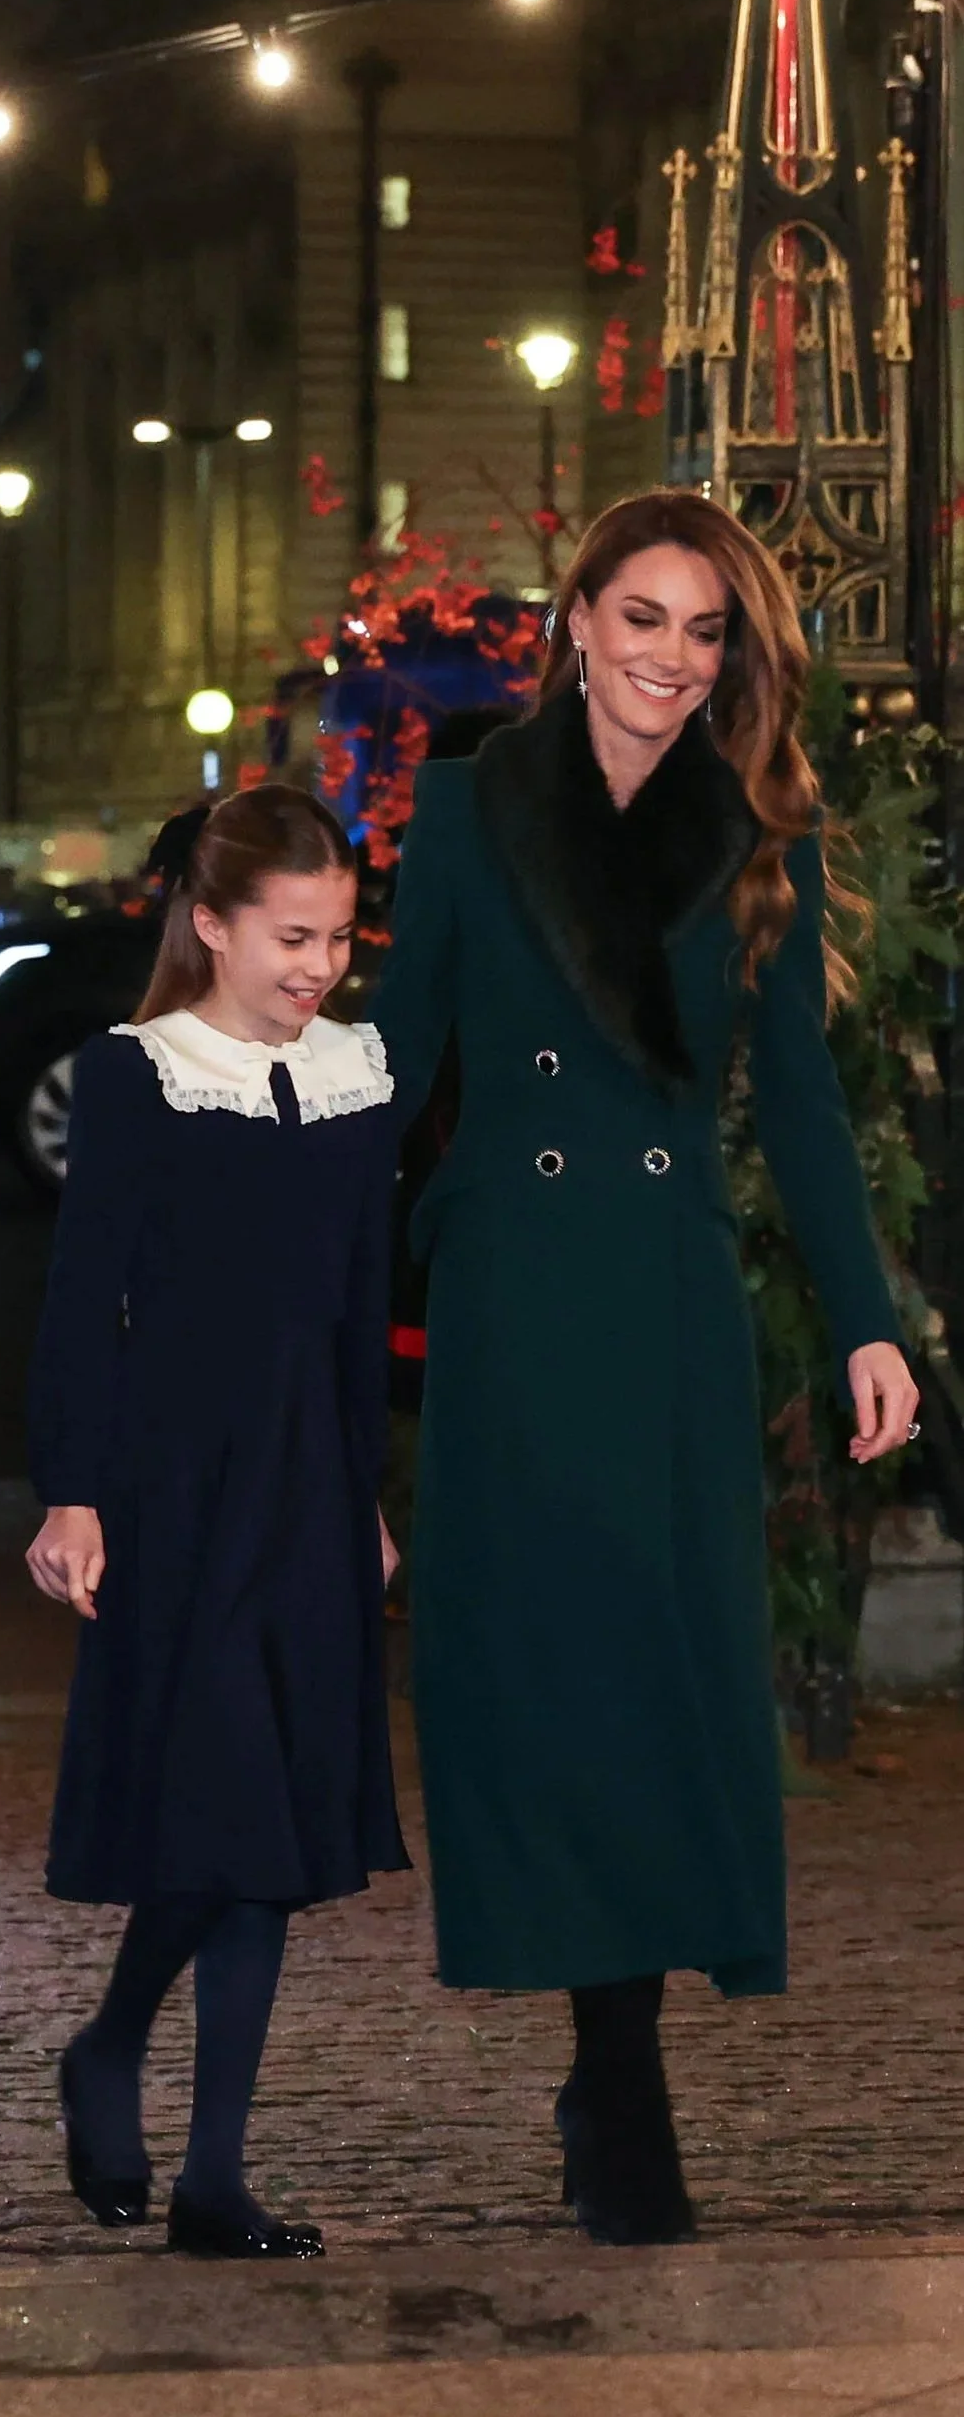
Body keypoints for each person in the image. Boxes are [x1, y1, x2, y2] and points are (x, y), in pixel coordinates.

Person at [371, 489, 918, 2244]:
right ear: (575, 616)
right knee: (540, 1671)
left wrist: (860, 1314)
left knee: (663, 1668)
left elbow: (804, 1103)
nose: (668, 662)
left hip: (666, 1295)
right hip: (515, 1293)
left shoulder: (760, 829)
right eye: (641, 619)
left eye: (702, 633)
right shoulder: (462, 810)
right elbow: (395, 1059)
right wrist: (270, 1250)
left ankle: (623, 2060)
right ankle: (608, 2069)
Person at [25, 784, 406, 2263]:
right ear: (209, 923)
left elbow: (356, 1313)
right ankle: (111, 2039)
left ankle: (210, 2175)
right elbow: (77, 1297)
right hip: (171, 1484)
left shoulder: (358, 1071)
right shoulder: (135, 1073)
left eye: (335, 936)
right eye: (288, 935)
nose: (316, 964)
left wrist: (365, 1493)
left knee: (274, 1838)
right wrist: (69, 1487)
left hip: (306, 1487)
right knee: (221, 1806)